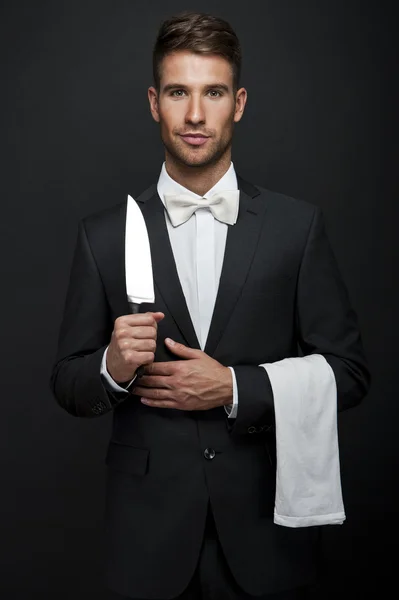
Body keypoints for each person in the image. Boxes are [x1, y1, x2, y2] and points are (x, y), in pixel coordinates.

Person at [50, 11, 370, 600]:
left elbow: (349, 374)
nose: (195, 115)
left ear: (238, 102)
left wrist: (234, 387)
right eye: (178, 92)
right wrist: (112, 368)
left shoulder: (296, 229)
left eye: (213, 92)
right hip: (145, 539)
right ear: (154, 102)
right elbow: (68, 383)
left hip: (265, 531)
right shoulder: (103, 235)